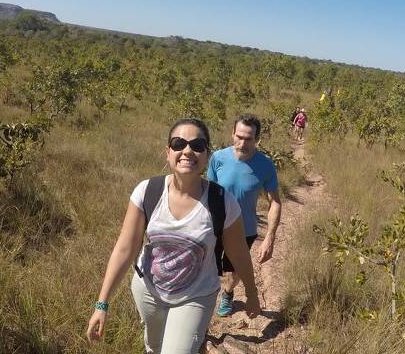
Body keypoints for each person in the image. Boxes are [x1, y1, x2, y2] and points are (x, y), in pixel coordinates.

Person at [86, 118, 261, 353]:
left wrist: (251, 293)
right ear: (167, 152)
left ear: (207, 155)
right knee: (155, 347)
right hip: (149, 292)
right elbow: (125, 249)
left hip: (196, 295)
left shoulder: (222, 202)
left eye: (197, 145)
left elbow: (239, 254)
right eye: (179, 143)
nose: (187, 150)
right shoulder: (147, 191)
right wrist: (101, 304)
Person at [207, 114, 282, 317]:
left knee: (235, 270)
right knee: (208, 270)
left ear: (257, 139)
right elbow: (207, 193)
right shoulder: (217, 158)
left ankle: (228, 293)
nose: (243, 143)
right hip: (215, 227)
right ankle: (203, 307)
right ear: (232, 133)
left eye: (249, 138)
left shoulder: (265, 165)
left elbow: (275, 201)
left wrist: (270, 237)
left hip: (244, 229)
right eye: (239, 136)